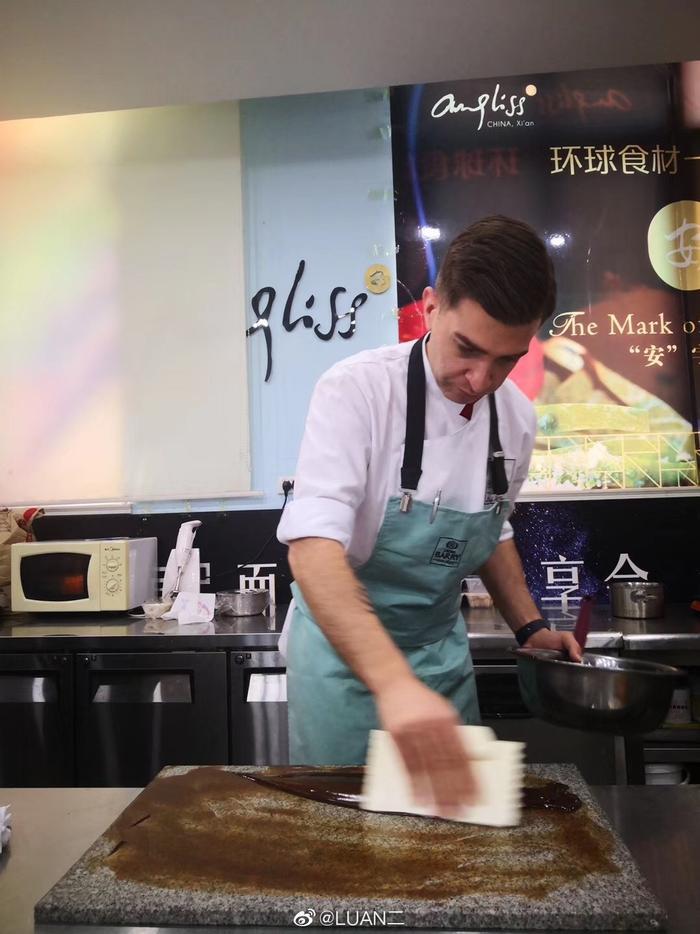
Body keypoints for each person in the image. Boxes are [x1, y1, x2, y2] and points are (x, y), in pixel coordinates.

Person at [277, 216, 582, 813]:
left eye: (506, 360)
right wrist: (395, 688)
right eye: (467, 349)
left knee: (450, 839)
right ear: (431, 307)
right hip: (344, 666)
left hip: (440, 661)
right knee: (343, 842)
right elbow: (311, 549)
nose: (481, 379)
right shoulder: (357, 392)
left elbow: (493, 526)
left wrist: (529, 627)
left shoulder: (516, 418)